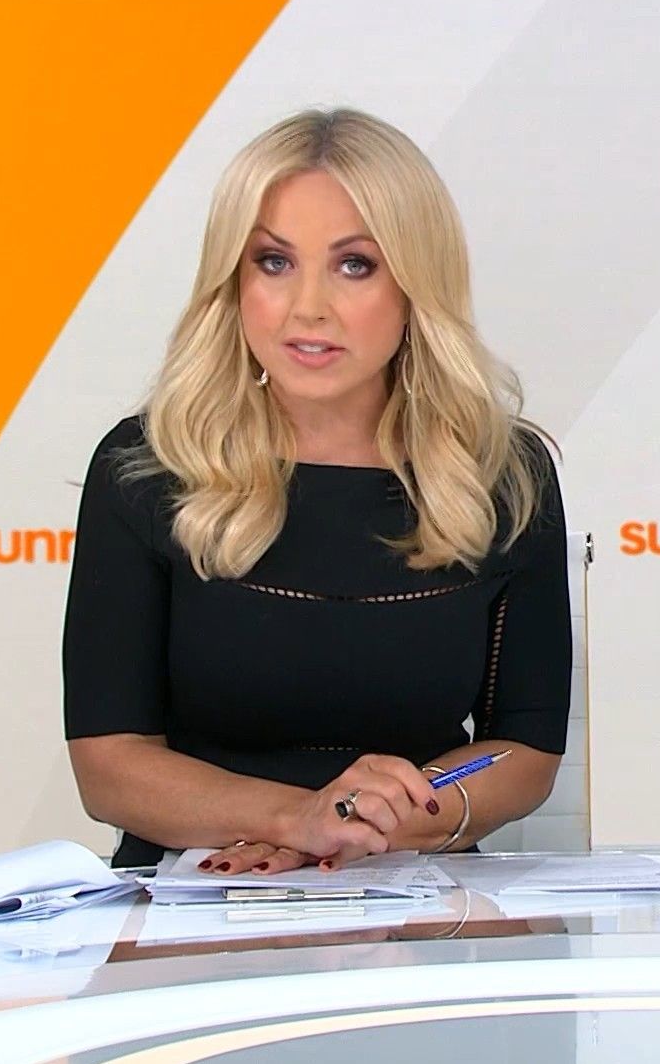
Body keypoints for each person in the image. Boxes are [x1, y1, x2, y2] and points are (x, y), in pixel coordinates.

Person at [63, 108, 570, 872]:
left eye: (354, 265)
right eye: (273, 262)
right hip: (193, 895)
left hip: (417, 893)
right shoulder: (147, 465)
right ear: (234, 280)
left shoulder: (503, 473)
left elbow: (525, 752)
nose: (309, 307)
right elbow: (108, 765)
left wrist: (367, 826)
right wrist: (297, 819)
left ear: (416, 280)